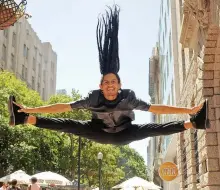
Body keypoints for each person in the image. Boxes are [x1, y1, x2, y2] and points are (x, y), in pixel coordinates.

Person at [8, 5, 209, 145]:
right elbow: (63, 107)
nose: (110, 85)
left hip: (125, 133)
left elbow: (157, 108)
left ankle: (194, 122)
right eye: (106, 82)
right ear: (101, 85)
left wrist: (189, 109)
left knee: (149, 128)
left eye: (114, 82)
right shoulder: (93, 98)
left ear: (120, 85)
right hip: (98, 132)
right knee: (69, 125)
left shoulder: (128, 98)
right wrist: (31, 108)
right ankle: (24, 118)